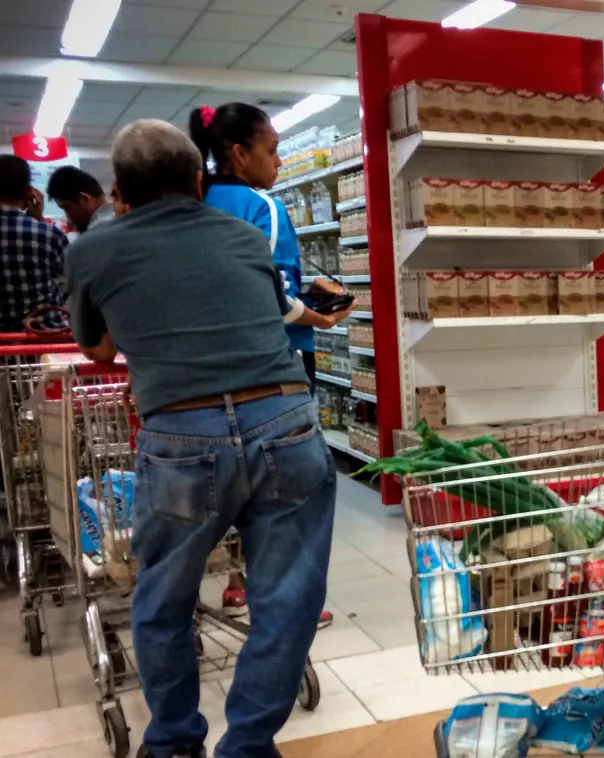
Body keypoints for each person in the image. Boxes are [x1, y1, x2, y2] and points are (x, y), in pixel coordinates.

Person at [64, 119, 336, 758]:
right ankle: (247, 745)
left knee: (162, 598)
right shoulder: (245, 236)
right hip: (285, 422)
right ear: (196, 179)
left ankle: (175, 745)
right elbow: (268, 312)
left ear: (118, 189)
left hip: (183, 437)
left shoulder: (90, 250)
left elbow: (100, 350)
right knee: (288, 598)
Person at [188, 101, 350, 626]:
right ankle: (281, 603)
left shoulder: (194, 202)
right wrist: (320, 314)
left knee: (226, 486)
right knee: (282, 492)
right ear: (239, 153)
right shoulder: (263, 207)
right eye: (272, 150)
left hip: (205, 372)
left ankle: (234, 586)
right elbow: (272, 294)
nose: (278, 163)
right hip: (273, 369)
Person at [0, 154, 68, 332]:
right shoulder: (50, 235)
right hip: (43, 338)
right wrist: (38, 219)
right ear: (29, 192)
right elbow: (71, 281)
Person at [46, 165, 114, 233]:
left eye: (67, 208)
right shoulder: (118, 218)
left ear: (85, 199)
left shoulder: (98, 230)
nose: (67, 215)